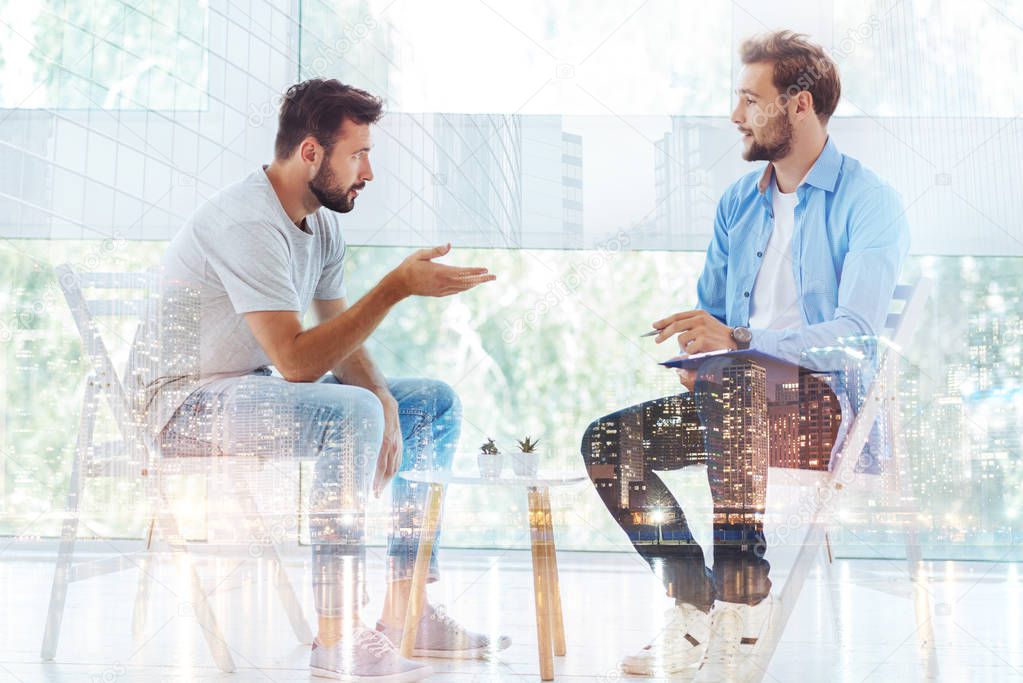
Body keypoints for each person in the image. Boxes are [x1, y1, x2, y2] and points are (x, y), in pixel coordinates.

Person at [128, 79, 507, 682]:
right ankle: (338, 633)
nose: (369, 173)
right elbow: (299, 364)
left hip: (246, 387)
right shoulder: (246, 222)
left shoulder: (321, 224)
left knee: (430, 403)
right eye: (358, 154)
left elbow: (340, 338)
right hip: (182, 406)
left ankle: (408, 607)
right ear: (311, 153)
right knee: (350, 413)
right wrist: (393, 289)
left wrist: (384, 397)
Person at [580, 31, 909, 681]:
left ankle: (740, 598)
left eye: (748, 99)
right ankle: (696, 601)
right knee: (610, 443)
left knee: (733, 376)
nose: (735, 116)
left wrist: (737, 343)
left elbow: (854, 336)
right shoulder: (740, 202)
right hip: (734, 404)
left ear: (799, 104)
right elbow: (719, 320)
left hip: (822, 412)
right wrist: (702, 341)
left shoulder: (869, 203)